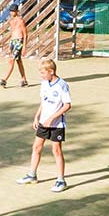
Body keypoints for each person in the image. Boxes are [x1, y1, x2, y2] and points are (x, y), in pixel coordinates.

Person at [16, 59, 71, 192]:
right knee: (36, 147)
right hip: (43, 123)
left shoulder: (62, 85)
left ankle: (61, 180)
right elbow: (43, 102)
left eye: (42, 73)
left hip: (57, 125)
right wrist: (37, 116)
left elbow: (67, 105)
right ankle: (32, 175)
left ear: (51, 71)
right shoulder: (44, 83)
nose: (41, 75)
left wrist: (52, 118)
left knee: (56, 151)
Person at [0, 4, 29, 88]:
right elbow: (12, 33)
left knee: (11, 60)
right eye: (11, 11)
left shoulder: (21, 21)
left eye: (13, 11)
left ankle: (4, 80)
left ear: (17, 11)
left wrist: (24, 47)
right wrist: (9, 45)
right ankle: (24, 80)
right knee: (19, 62)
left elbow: (25, 34)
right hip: (13, 41)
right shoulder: (11, 21)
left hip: (19, 41)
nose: (12, 13)